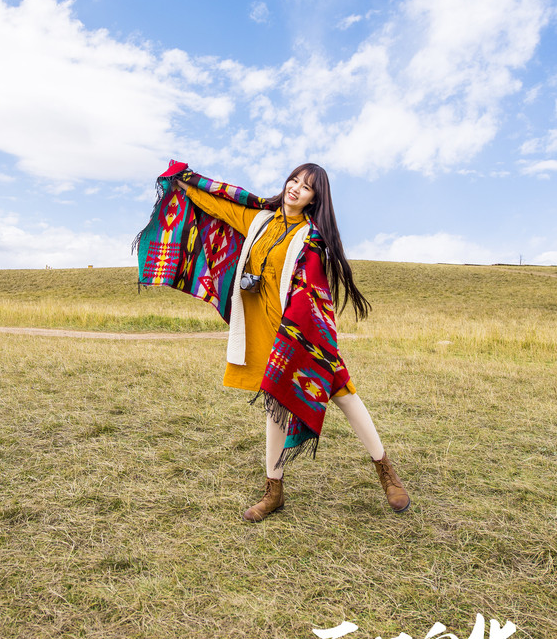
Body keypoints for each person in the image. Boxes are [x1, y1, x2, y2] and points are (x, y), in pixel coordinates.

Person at [137, 161, 410, 522]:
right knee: (275, 408)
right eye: (294, 180)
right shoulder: (259, 220)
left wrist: (299, 337)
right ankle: (274, 490)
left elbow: (313, 295)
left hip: (303, 336)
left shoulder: (312, 239)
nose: (296, 188)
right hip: (264, 333)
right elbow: (219, 203)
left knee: (346, 396)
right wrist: (185, 183)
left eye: (306, 187)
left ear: (314, 199)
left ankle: (386, 472)